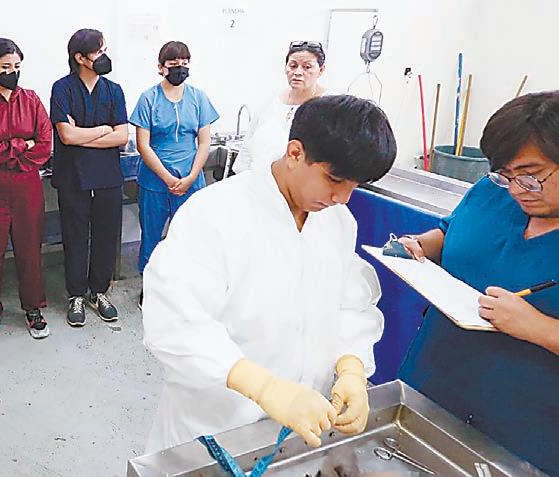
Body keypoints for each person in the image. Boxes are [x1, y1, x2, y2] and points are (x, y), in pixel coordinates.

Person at [142, 95, 397, 453]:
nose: (342, 197)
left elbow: (349, 303)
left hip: (301, 428)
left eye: (355, 185)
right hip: (217, 427)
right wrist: (262, 386)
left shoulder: (337, 222)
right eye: (334, 179)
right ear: (295, 153)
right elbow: (175, 321)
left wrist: (351, 366)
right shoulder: (215, 214)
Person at [398, 92, 559, 474]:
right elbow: (453, 232)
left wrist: (538, 328)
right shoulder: (493, 192)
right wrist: (423, 245)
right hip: (431, 386)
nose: (517, 189)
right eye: (506, 175)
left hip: (524, 432)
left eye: (531, 176)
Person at [130, 41, 218, 305]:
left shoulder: (198, 98)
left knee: (189, 237)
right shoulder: (149, 99)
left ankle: (183, 288)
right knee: (152, 237)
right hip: (155, 181)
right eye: (173, 64)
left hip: (191, 179)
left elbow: (204, 142)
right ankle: (150, 287)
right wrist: (167, 178)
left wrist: (191, 177)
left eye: (184, 63)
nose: (180, 68)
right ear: (161, 67)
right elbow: (143, 145)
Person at [50, 29, 128, 327]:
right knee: (75, 236)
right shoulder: (62, 89)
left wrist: (83, 135)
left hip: (107, 176)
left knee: (106, 236)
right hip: (73, 176)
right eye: (98, 52)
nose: (104, 56)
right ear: (80, 58)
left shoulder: (114, 90)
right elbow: (66, 136)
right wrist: (103, 130)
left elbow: (122, 136)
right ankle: (76, 295)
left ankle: (99, 292)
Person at [0, 38, 52, 344]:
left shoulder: (31, 100)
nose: (12, 72)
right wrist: (21, 144)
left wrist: (1, 152)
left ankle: (33, 308)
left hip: (26, 186)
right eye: (5, 66)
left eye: (17, 66)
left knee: (30, 249)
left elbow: (44, 145)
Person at [233, 41, 327, 173]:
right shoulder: (271, 102)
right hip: (258, 179)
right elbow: (247, 149)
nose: (298, 72)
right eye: (293, 66)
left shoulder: (328, 107)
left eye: (307, 67)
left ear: (321, 70)